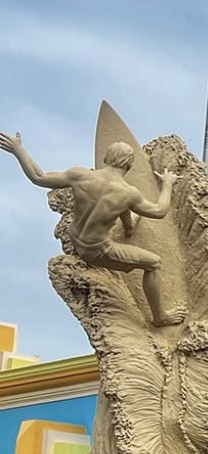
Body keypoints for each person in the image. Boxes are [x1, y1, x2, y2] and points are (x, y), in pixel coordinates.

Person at [0, 131, 182, 325]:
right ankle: (160, 317)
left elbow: (39, 177)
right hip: (96, 250)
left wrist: (18, 150)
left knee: (126, 214)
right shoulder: (129, 193)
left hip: (75, 237)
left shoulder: (81, 175)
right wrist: (167, 184)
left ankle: (129, 227)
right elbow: (159, 210)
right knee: (153, 263)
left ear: (105, 158)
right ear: (129, 165)